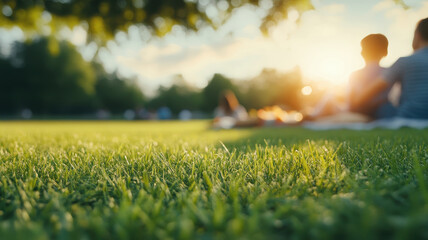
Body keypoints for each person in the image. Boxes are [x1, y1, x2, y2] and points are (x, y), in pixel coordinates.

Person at [354, 18, 428, 119]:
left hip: (408, 118)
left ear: (417, 35)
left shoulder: (405, 62)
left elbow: (370, 92)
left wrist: (355, 104)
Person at [308, 33, 391, 120]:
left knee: (330, 97)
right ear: (385, 52)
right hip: (381, 113)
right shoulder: (390, 71)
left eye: (362, 49)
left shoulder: (355, 75)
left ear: (363, 52)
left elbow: (350, 104)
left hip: (358, 113)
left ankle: (312, 117)